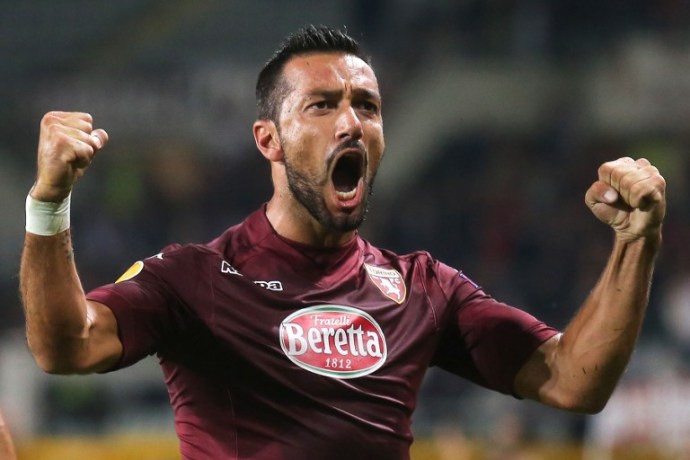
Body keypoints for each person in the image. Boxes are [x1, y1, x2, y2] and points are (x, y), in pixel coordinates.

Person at [19, 25, 666, 459]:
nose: (351, 122)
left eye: (367, 105)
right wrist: (49, 204)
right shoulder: (196, 277)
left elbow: (572, 382)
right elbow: (65, 346)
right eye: (322, 105)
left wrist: (636, 242)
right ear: (269, 140)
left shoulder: (424, 288)